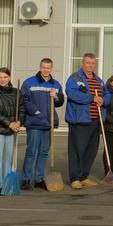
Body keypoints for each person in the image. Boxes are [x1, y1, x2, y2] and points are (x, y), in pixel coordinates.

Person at [65, 53, 108, 190]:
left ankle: (84, 176)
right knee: (77, 150)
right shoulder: (75, 78)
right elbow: (72, 93)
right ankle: (75, 178)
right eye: (88, 63)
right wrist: (91, 98)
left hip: (95, 120)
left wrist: (103, 100)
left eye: (92, 63)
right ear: (83, 64)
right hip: (79, 121)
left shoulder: (99, 80)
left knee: (91, 151)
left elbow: (106, 94)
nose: (90, 65)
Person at [20, 58, 64, 190]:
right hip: (34, 122)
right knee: (31, 151)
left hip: (48, 123)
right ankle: (26, 179)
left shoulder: (55, 84)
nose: (46, 70)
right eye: (43, 67)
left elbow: (60, 101)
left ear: (52, 68)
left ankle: (39, 179)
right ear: (40, 67)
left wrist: (56, 97)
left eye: (48, 68)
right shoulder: (29, 82)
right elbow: (24, 100)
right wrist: (35, 111)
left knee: (44, 152)